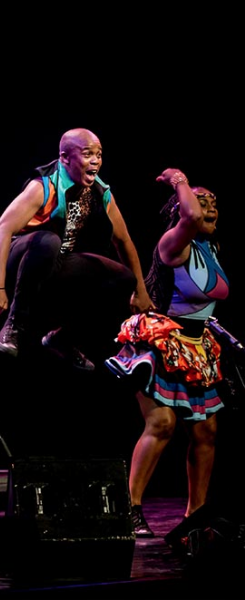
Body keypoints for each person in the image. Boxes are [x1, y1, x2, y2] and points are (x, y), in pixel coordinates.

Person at [105, 170, 227, 538]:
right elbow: (189, 216)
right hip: (161, 341)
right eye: (200, 201)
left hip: (196, 347)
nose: (209, 209)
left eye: (214, 204)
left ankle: (197, 513)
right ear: (182, 208)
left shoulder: (210, 248)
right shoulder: (175, 242)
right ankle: (131, 508)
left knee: (206, 431)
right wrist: (179, 180)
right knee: (162, 424)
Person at [0, 128, 153, 370]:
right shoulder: (44, 185)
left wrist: (141, 290)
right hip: (20, 259)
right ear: (65, 158)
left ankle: (63, 338)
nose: (95, 161)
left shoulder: (101, 193)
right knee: (48, 241)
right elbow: (1, 229)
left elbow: (123, 241)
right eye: (87, 154)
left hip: (56, 262)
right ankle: (13, 326)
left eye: (99, 154)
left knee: (125, 279)